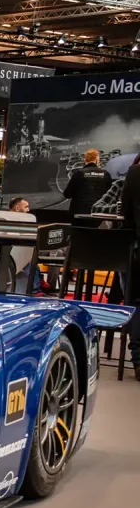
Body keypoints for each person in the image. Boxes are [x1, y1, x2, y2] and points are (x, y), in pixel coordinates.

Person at [118, 154, 140, 380]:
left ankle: (138, 360)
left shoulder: (134, 173)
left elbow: (126, 214)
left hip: (135, 249)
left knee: (135, 301)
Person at [64, 149, 112, 216]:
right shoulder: (106, 174)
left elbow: (67, 194)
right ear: (97, 160)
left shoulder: (78, 173)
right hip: (99, 213)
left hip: (79, 213)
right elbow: (110, 196)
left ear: (85, 160)